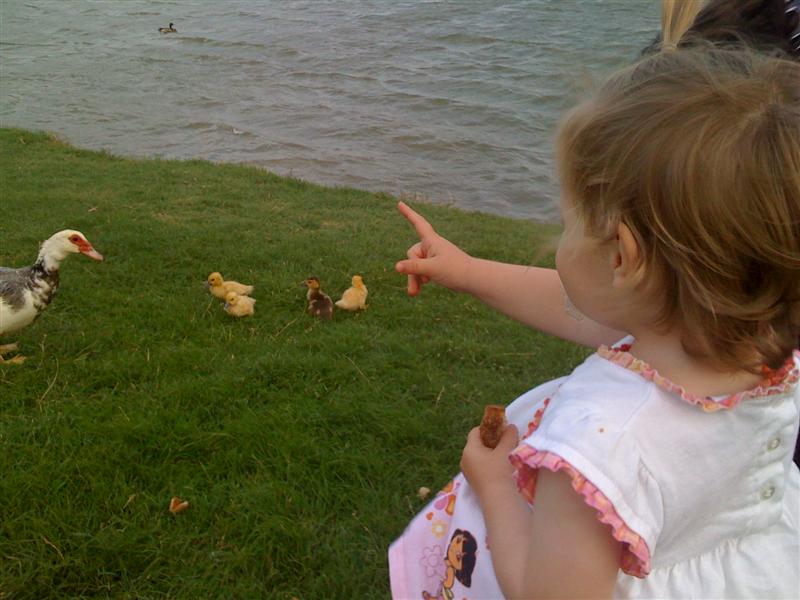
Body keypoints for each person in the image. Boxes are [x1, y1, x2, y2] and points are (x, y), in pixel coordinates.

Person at [388, 46, 800, 599]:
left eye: (569, 221)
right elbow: (575, 304)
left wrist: (496, 484)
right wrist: (468, 272)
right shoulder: (753, 345)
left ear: (622, 257)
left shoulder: (602, 448)